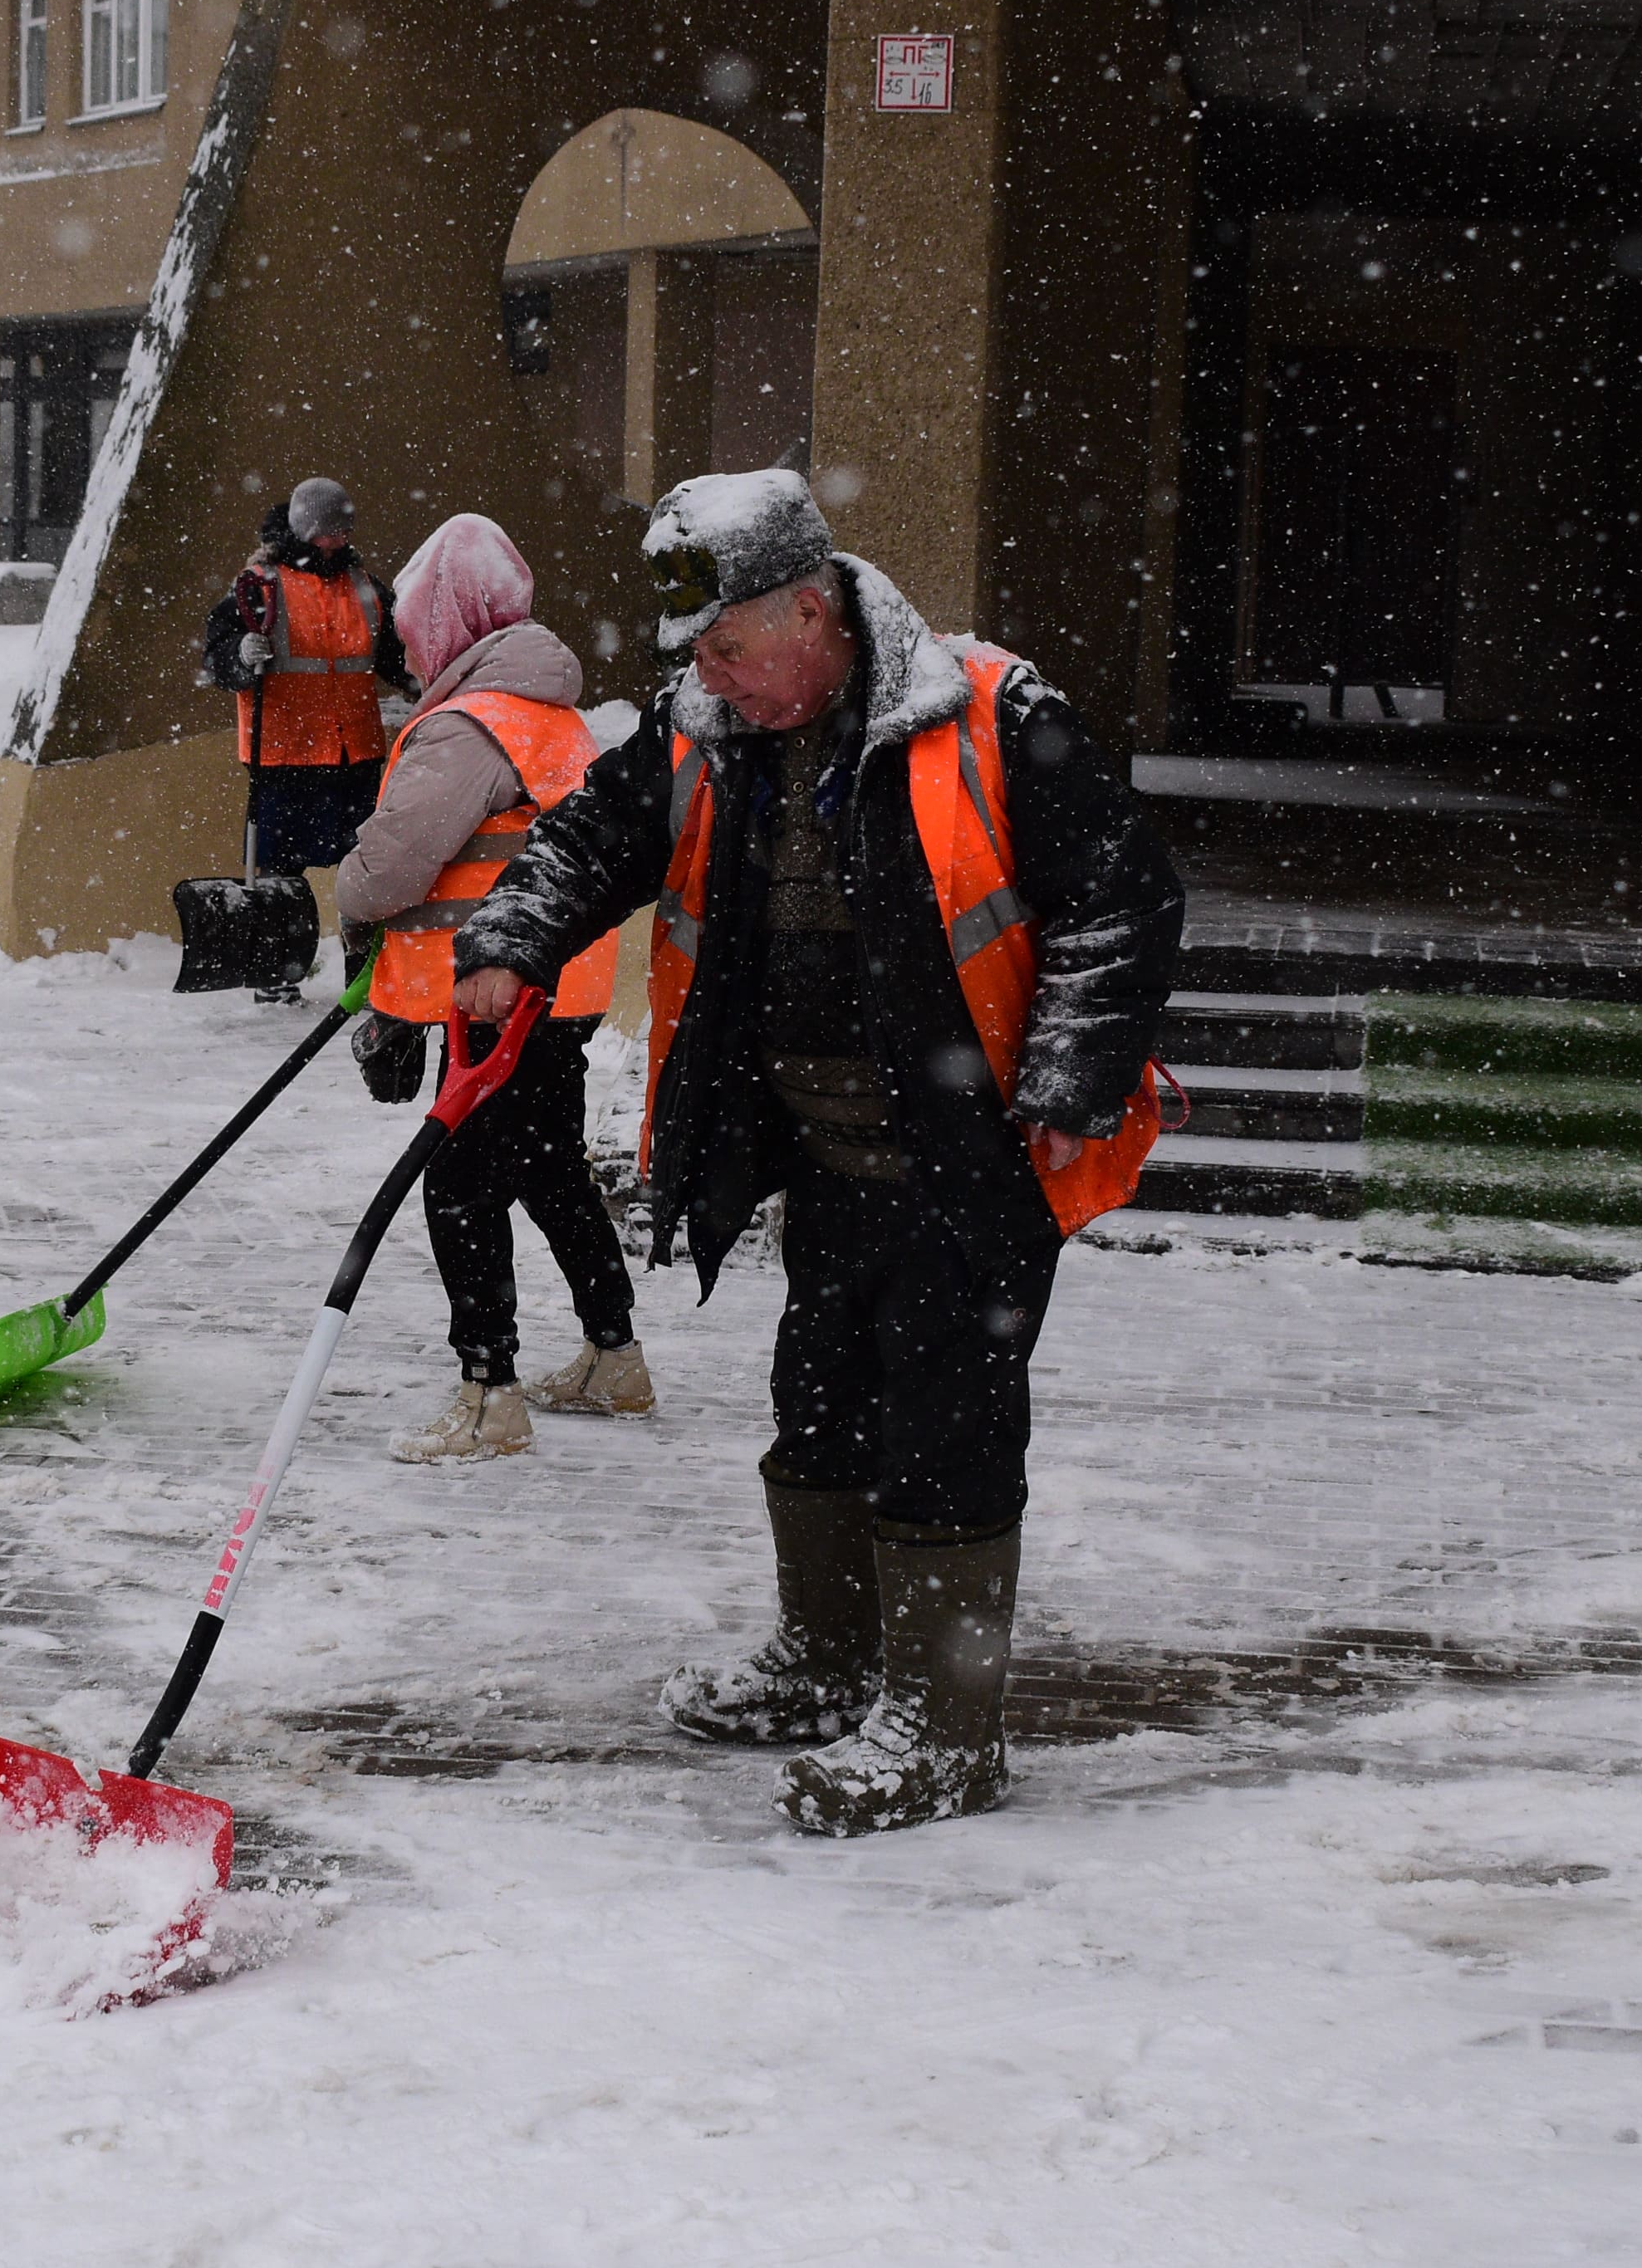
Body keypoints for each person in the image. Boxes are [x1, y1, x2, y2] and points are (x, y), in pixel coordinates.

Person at [448, 468, 1188, 1834]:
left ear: (807, 609)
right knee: (821, 1399)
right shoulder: (704, 733)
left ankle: (947, 1728)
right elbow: (588, 841)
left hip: (974, 1161)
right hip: (822, 1155)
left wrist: (1071, 1073)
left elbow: (1123, 897)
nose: (713, 678)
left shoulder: (991, 715)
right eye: (697, 658)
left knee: (944, 1428)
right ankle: (829, 1660)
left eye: (730, 648)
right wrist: (506, 941)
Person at [333, 513, 651, 1462]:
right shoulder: (553, 718)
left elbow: (390, 868)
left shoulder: (468, 726)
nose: (402, 639)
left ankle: (487, 1392)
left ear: (445, 622)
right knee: (548, 1167)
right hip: (561, 985)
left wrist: (352, 905)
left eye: (412, 620)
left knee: (461, 1182)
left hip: (485, 996)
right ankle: (613, 1353)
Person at [199, 476, 413, 995]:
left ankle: (365, 980)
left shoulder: (364, 585)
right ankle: (275, 977)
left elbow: (392, 653)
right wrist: (240, 657)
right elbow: (218, 658)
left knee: (365, 872)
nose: (339, 539)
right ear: (304, 530)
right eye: (328, 531)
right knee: (278, 874)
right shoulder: (259, 584)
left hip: (354, 752)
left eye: (345, 529)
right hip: (282, 753)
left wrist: (418, 683)